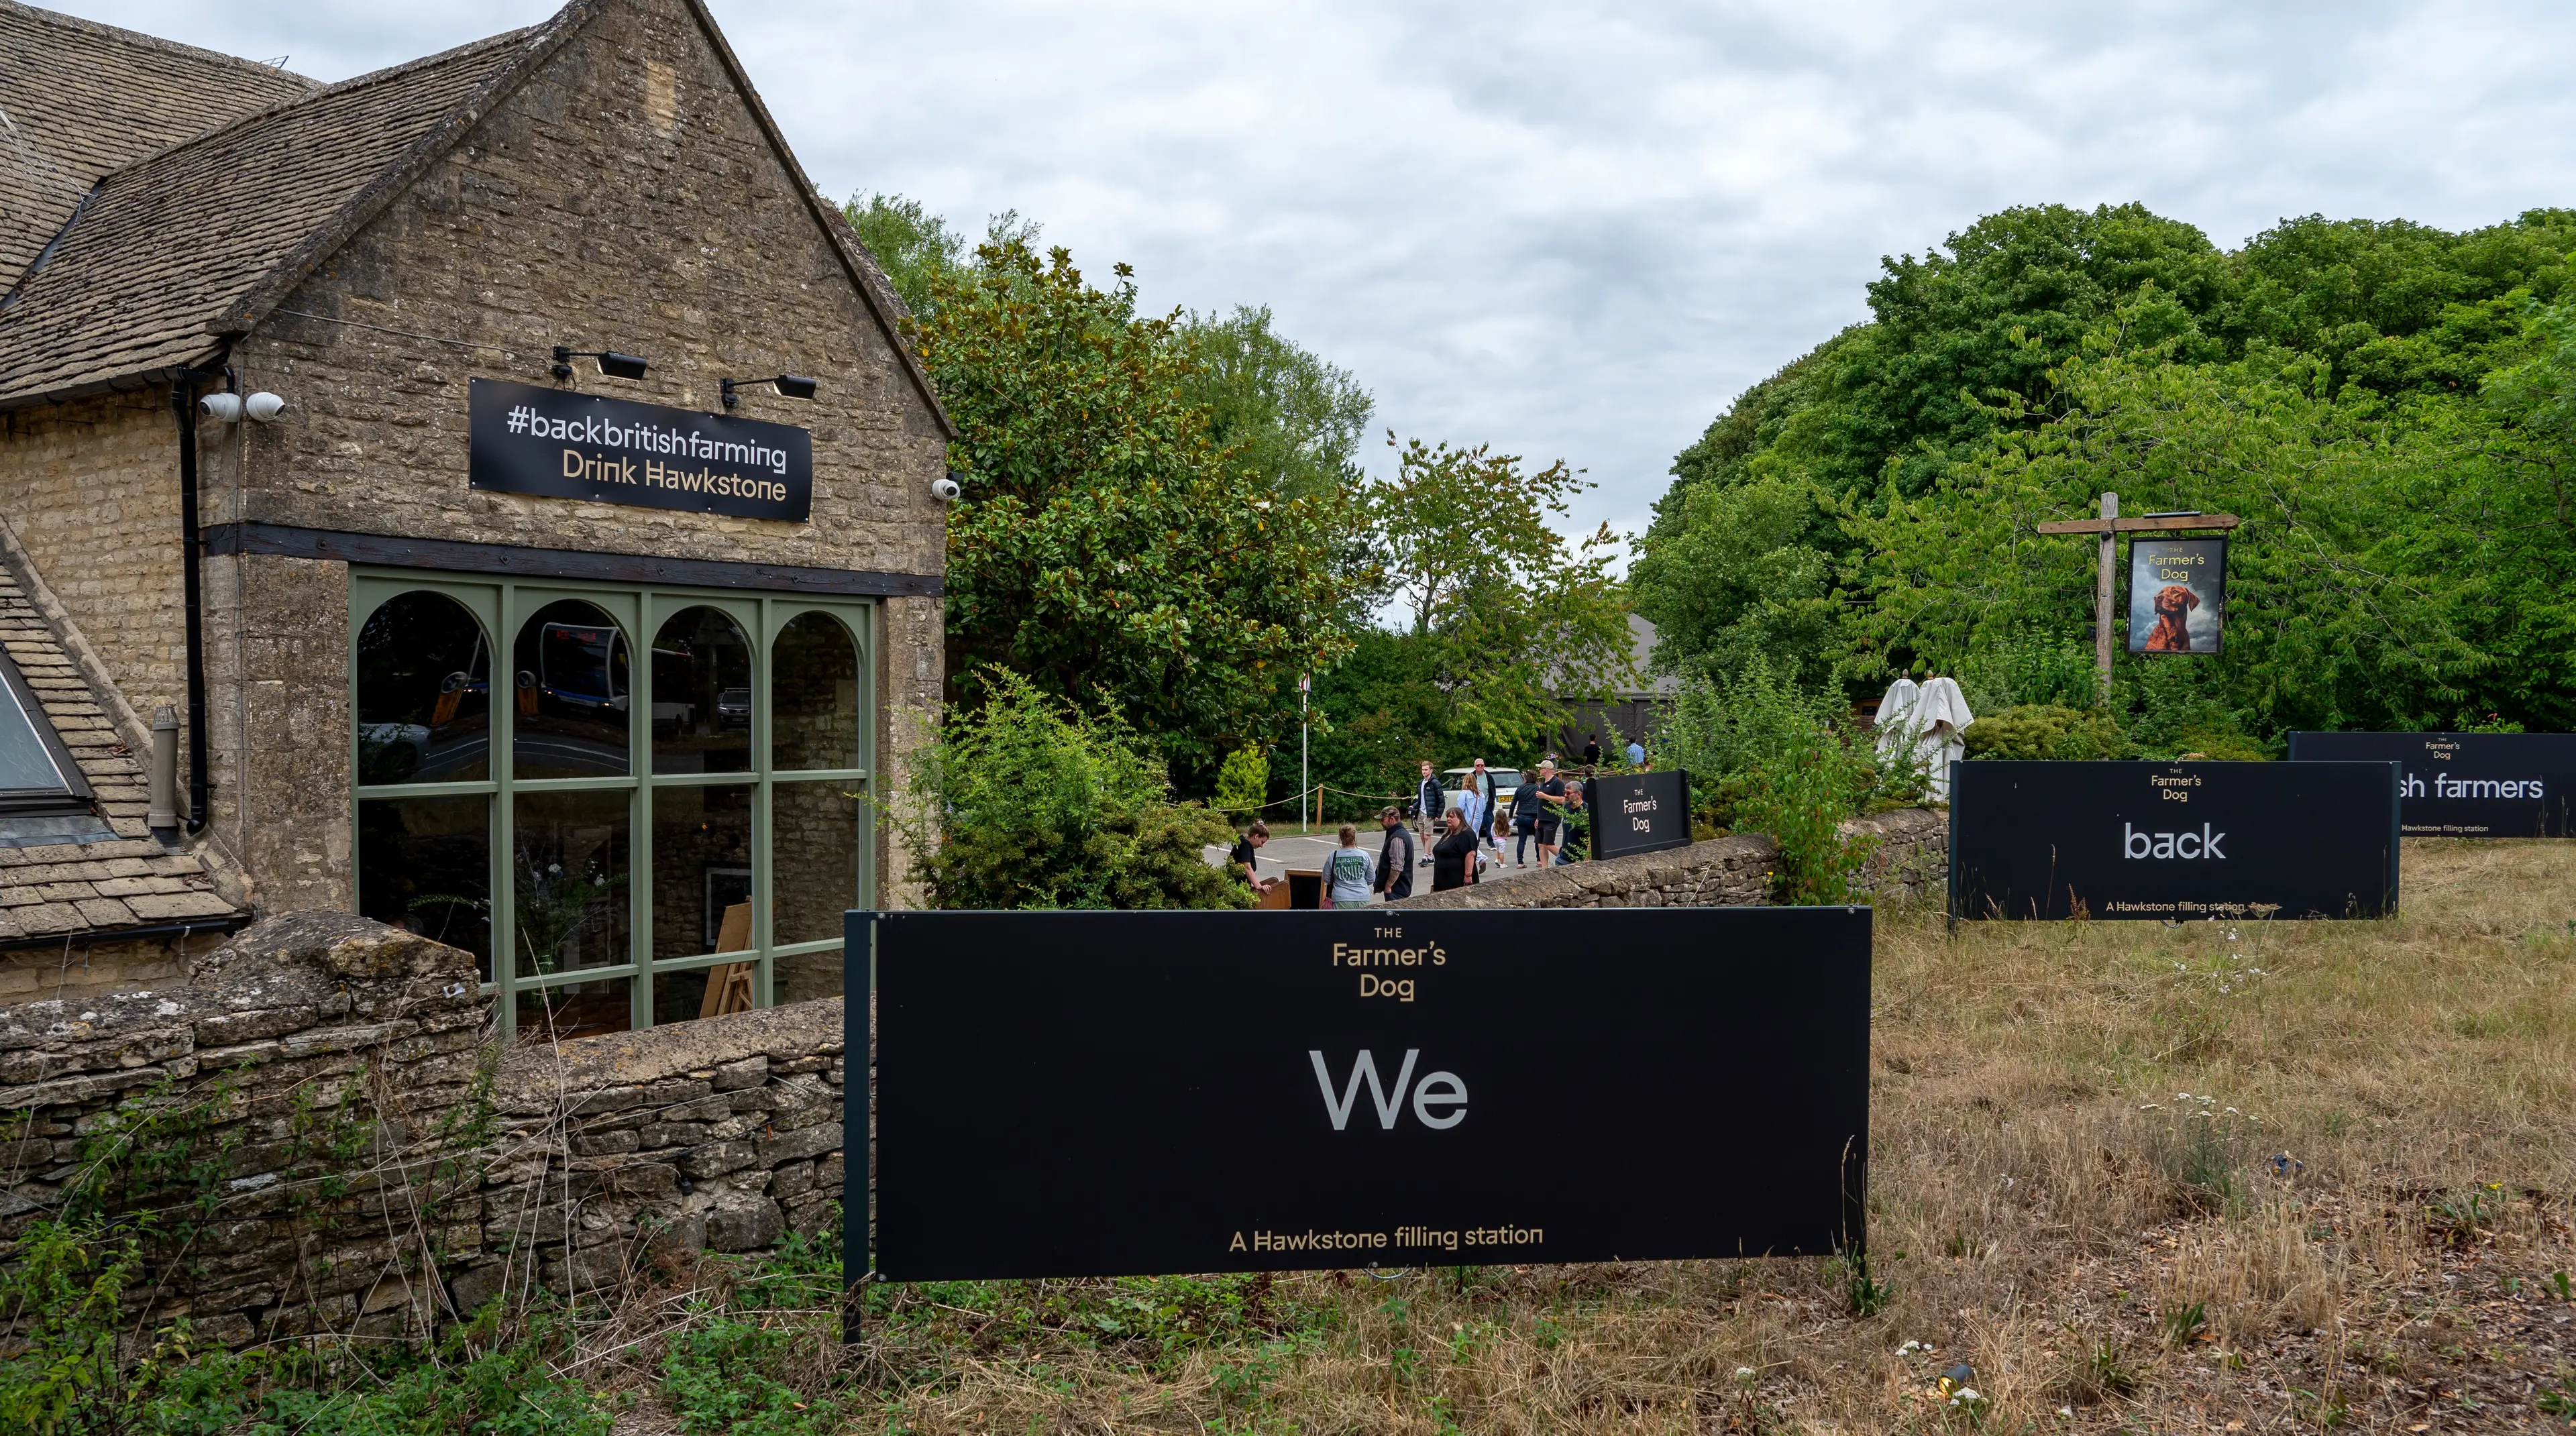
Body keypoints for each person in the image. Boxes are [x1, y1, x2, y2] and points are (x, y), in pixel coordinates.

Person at [1324, 824, 1375, 908]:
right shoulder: (1364, 855)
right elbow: (1371, 878)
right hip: (1362, 896)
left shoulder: (1333, 856)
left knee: (1343, 921)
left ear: (1340, 838)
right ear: (1355, 837)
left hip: (1341, 897)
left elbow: (1327, 878)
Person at [1531, 760, 1570, 867]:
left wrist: (1546, 796)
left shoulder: (1557, 783)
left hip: (1552, 818)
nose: (1539, 770)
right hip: (1542, 818)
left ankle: (1567, 859)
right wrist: (1538, 817)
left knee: (1549, 844)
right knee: (1541, 845)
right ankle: (1545, 870)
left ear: (1546, 769)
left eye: (1541, 768)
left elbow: (1562, 799)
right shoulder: (1543, 782)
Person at [1430, 808, 1479, 892]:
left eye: (1452, 817)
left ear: (1460, 819)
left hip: (1457, 881)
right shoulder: (1447, 834)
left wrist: (1468, 876)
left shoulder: (1467, 834)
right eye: (1448, 817)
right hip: (1443, 881)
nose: (1448, 819)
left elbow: (1471, 854)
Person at [1374, 806, 1415, 901]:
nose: (1381, 822)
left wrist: (1388, 887)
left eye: (1383, 819)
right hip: (1398, 889)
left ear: (1392, 819)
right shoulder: (1398, 833)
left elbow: (1397, 867)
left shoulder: (1397, 837)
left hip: (1396, 891)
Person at [1230, 820, 1278, 895]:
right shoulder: (1245, 845)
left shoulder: (1245, 843)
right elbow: (1247, 868)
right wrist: (1259, 887)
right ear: (1256, 836)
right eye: (1262, 842)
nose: (1262, 846)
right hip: (1237, 889)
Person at [1508, 777, 1542, 867]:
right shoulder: (1538, 789)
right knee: (1537, 840)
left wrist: (1510, 816)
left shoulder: (1520, 788)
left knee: (1522, 840)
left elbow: (1513, 803)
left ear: (1526, 779)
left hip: (1522, 817)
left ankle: (1520, 862)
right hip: (1534, 818)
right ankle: (1539, 860)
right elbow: (1541, 804)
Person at [1413, 760, 1444, 842]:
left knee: (1427, 836)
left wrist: (1438, 815)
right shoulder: (1420, 783)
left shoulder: (1435, 783)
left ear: (1431, 770)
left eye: (1426, 769)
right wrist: (1414, 805)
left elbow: (1441, 800)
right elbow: (1421, 799)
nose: (1424, 771)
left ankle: (1427, 854)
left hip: (1429, 813)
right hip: (1420, 812)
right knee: (1422, 835)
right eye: (1423, 769)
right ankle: (1428, 853)